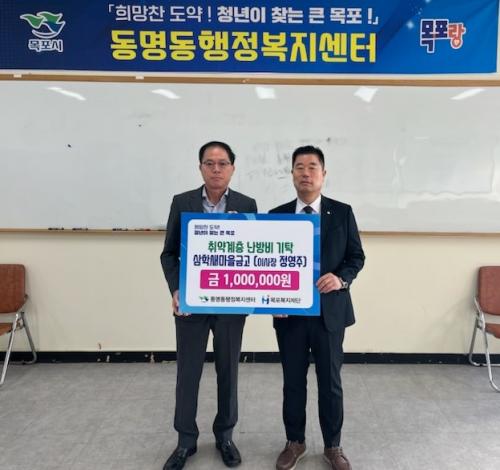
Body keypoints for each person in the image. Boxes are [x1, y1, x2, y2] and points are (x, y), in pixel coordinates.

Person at [160, 141, 258, 470]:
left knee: (228, 371)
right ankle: (185, 441)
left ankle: (225, 436)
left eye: (222, 163)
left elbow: (253, 254)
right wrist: (177, 289)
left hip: (231, 306)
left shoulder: (246, 204)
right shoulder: (182, 202)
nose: (216, 169)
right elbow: (169, 253)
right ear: (200, 167)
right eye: (209, 163)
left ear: (232, 168)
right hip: (191, 305)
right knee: (187, 373)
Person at [269, 145, 365, 470]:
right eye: (300, 167)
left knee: (330, 382)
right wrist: (271, 299)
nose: (306, 173)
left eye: (312, 167)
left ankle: (333, 446)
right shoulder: (276, 215)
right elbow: (266, 264)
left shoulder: (342, 212)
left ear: (323, 174)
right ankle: (294, 442)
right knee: (293, 382)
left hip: (330, 314)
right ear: (292, 174)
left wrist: (341, 279)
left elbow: (356, 257)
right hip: (290, 315)